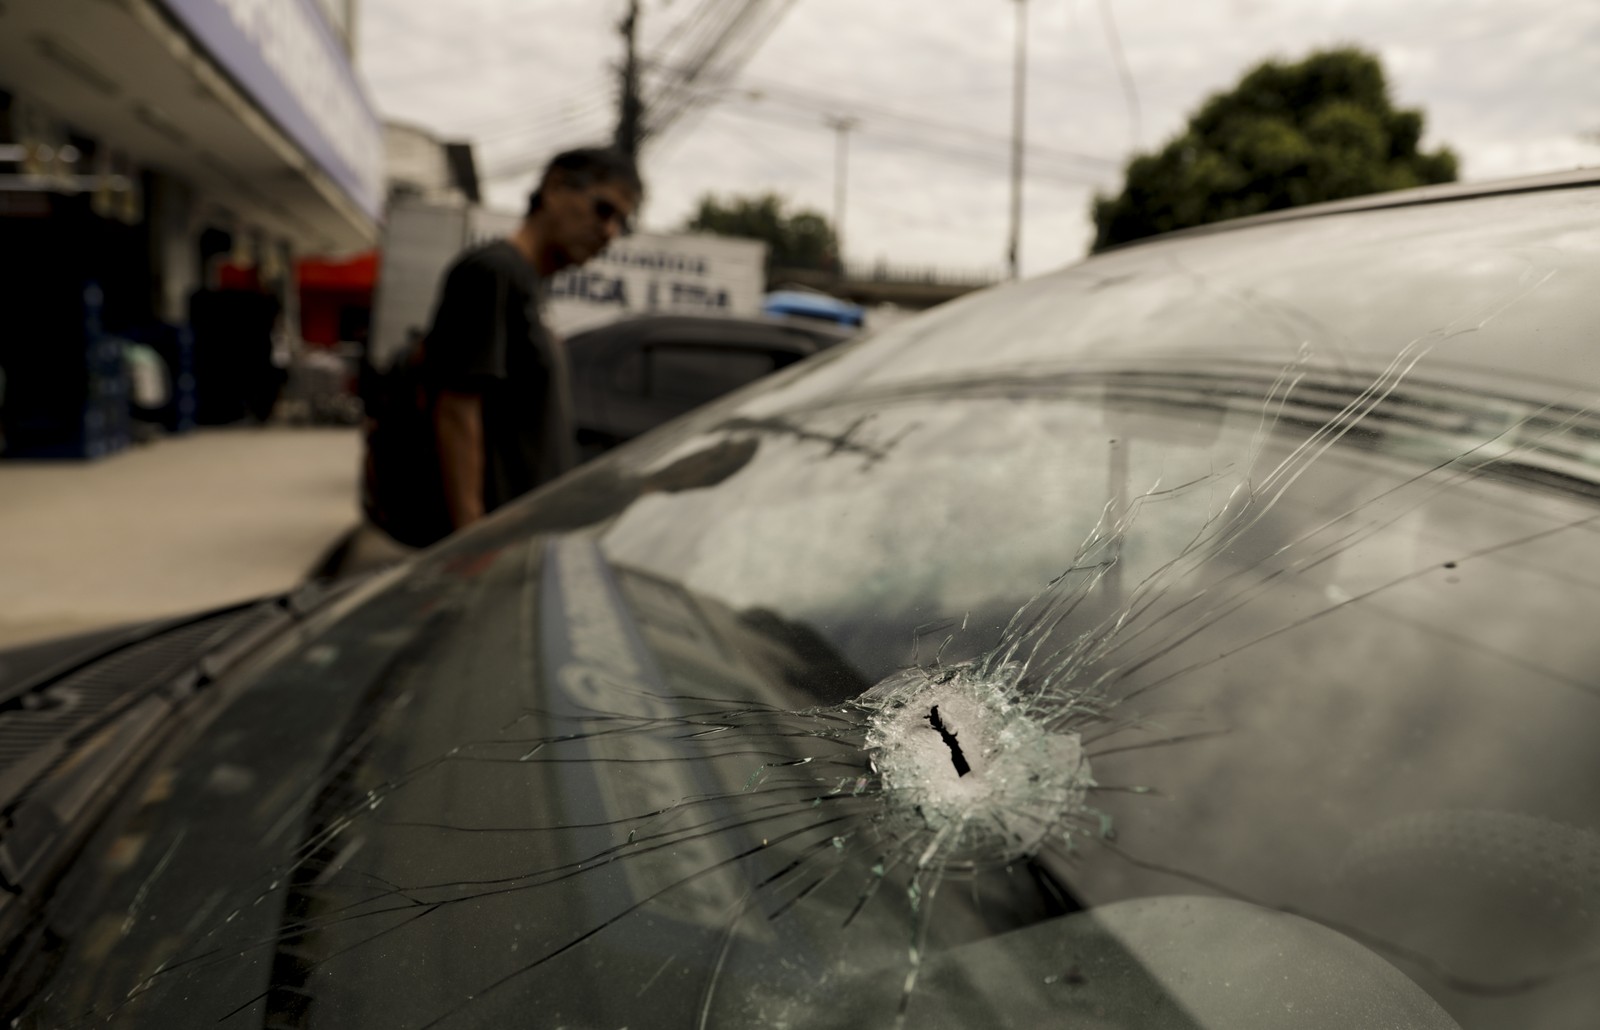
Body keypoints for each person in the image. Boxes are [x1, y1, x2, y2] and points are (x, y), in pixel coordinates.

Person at [422, 147, 642, 531]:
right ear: (554, 188)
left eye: (621, 223)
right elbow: (458, 410)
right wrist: (471, 537)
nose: (609, 233)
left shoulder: (528, 284)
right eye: (603, 210)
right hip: (492, 547)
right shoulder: (493, 272)